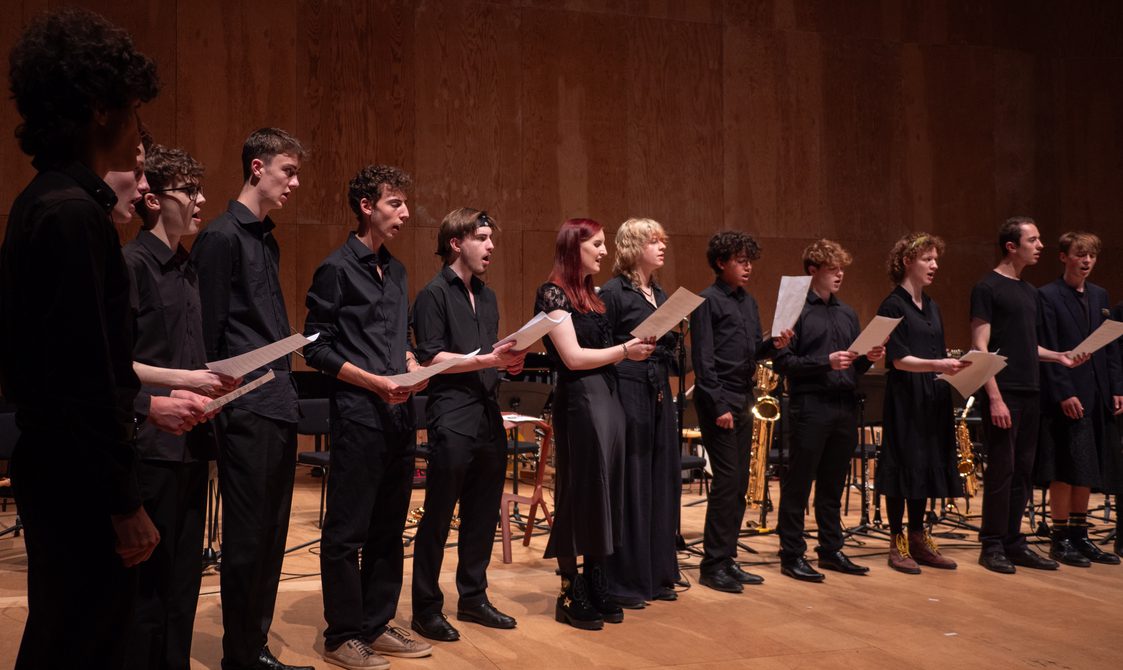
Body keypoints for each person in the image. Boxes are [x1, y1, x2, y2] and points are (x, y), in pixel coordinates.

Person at [0, 8, 160, 668]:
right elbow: (85, 376)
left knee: (65, 635)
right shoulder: (73, 215)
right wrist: (123, 501)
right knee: (84, 643)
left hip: (57, 466)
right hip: (79, 478)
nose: (138, 129)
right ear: (100, 109)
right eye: (133, 109)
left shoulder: (43, 200)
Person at [190, 128, 312, 670]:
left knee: (272, 534)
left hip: (277, 400)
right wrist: (220, 403)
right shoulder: (220, 238)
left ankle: (253, 646)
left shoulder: (265, 238)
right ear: (257, 167)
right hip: (244, 406)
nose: (294, 183)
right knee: (246, 539)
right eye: (288, 171)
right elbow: (207, 336)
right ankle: (240, 655)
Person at [303, 165, 432, 669]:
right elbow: (316, 348)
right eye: (395, 203)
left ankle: (376, 624)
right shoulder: (336, 269)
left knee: (389, 528)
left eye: (404, 203)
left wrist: (413, 366)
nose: (405, 213)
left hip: (400, 416)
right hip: (358, 414)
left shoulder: (397, 271)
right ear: (366, 207)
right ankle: (342, 635)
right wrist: (374, 382)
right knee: (346, 532)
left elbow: (401, 340)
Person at [123, 143, 240, 669]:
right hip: (149, 446)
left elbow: (186, 355)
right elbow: (114, 365)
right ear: (153, 200)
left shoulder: (187, 269)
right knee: (147, 590)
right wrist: (185, 380)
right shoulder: (131, 265)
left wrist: (214, 381)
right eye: (189, 191)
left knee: (184, 584)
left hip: (192, 443)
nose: (202, 200)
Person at [409, 208, 527, 642]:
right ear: (456, 243)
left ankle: (473, 598)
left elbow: (489, 355)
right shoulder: (433, 294)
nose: (491, 246)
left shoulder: (488, 296)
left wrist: (507, 362)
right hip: (452, 414)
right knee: (439, 515)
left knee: (482, 513)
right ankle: (425, 608)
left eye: (491, 238)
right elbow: (431, 357)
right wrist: (487, 360)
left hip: (487, 414)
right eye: (482, 237)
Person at [535, 218, 655, 630]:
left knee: (607, 492)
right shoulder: (551, 294)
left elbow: (603, 350)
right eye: (597, 244)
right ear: (575, 247)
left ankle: (597, 578)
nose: (605, 251)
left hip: (607, 397)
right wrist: (625, 350)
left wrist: (633, 350)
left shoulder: (593, 296)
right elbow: (572, 358)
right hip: (580, 401)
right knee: (579, 492)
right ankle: (571, 589)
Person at [971, 216, 1087, 575]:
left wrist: (1059, 356)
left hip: (1030, 391)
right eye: (1033, 240)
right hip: (1003, 391)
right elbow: (980, 347)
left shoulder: (1029, 292)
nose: (1040, 246)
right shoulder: (987, 287)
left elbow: (1026, 346)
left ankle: (1013, 541)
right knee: (1001, 471)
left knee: (1023, 471)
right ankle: (991, 544)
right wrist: (994, 397)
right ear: (1011, 246)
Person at [774, 239, 885, 582]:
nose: (839, 275)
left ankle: (830, 549)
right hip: (810, 406)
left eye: (841, 269)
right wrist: (826, 361)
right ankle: (792, 553)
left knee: (833, 484)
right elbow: (782, 362)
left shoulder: (847, 313)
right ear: (813, 271)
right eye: (832, 269)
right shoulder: (795, 311)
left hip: (844, 405)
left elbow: (852, 366)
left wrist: (867, 358)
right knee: (798, 484)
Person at [689, 231, 789, 593]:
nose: (748, 268)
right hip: (719, 400)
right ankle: (712, 565)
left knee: (740, 483)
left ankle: (728, 558)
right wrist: (719, 405)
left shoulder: (749, 302)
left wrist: (773, 345)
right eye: (741, 261)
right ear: (721, 263)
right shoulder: (706, 301)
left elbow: (752, 354)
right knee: (727, 481)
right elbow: (703, 362)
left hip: (743, 396)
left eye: (750, 262)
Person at [600, 218, 682, 607]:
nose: (662, 247)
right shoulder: (613, 293)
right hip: (628, 390)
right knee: (631, 482)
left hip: (658, 390)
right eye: (653, 241)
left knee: (660, 478)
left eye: (662, 240)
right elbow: (603, 348)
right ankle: (625, 581)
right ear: (634, 247)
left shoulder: (660, 293)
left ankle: (656, 575)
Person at [875, 233, 967, 574]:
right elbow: (898, 360)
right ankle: (897, 540)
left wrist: (954, 367)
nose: (934, 265)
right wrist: (938, 364)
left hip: (932, 394)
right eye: (927, 259)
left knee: (925, 463)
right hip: (906, 396)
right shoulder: (892, 305)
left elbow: (936, 353)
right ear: (907, 262)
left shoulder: (933, 306)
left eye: (935, 259)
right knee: (904, 463)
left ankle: (917, 535)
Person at [1037, 232, 1122, 567]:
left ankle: (1079, 534)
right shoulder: (1047, 295)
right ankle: (1059, 537)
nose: (1086, 261)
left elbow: (1109, 345)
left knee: (1086, 465)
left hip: (1096, 392)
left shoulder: (1100, 295)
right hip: (1067, 393)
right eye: (1080, 254)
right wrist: (1064, 392)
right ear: (1063, 257)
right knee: (1064, 466)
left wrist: (1116, 387)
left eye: (1092, 256)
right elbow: (1048, 348)